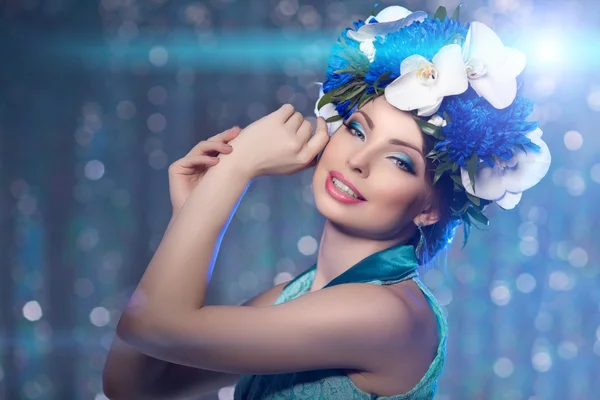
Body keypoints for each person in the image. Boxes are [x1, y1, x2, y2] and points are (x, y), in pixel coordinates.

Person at [103, 4, 551, 400]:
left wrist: (235, 169)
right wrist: (190, 215)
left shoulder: (387, 314)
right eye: (357, 129)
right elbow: (132, 383)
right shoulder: (296, 296)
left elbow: (151, 324)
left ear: (430, 208)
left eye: (399, 161)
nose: (358, 159)